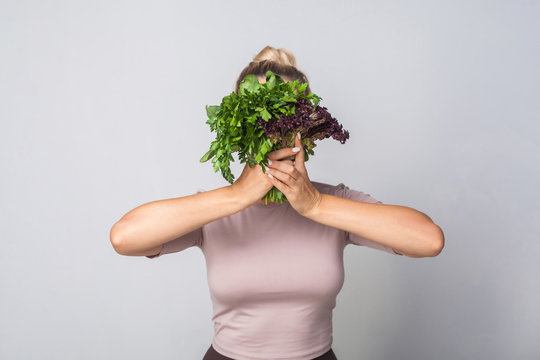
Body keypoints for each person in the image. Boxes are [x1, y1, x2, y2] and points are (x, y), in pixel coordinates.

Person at [109, 46, 445, 360]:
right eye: (257, 114)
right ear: (236, 128)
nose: (270, 129)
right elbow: (125, 238)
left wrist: (314, 205)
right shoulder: (217, 209)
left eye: (283, 112)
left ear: (305, 128)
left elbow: (428, 240)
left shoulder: (336, 203)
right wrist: (237, 196)